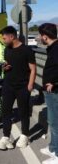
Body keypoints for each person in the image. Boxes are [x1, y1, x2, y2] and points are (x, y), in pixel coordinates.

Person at [0, 26, 36, 150]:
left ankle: (25, 135)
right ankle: (6, 137)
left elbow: (33, 69)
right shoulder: (7, 49)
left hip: (23, 86)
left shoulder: (27, 50)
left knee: (23, 112)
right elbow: (6, 65)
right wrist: (4, 67)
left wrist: (30, 85)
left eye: (4, 37)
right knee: (6, 112)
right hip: (8, 85)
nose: (3, 39)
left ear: (12, 37)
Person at [38, 23, 58, 164]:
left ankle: (57, 154)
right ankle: (53, 148)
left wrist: (55, 83)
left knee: (56, 123)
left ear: (45, 36)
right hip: (50, 91)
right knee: (52, 121)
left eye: (40, 35)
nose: (39, 38)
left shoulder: (56, 49)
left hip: (55, 91)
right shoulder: (53, 48)